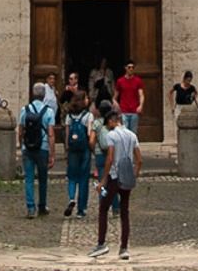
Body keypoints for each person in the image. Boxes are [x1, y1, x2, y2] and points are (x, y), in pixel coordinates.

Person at [92, 100, 139, 258]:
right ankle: (124, 248)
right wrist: (134, 174)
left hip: (114, 176)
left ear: (112, 121)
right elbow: (139, 160)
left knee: (103, 208)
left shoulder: (112, 135)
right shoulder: (132, 135)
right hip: (127, 177)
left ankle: (101, 244)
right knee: (124, 212)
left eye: (108, 124)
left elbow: (110, 157)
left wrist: (103, 179)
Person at [18, 84, 52, 216]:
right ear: (44, 95)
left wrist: (21, 144)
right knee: (43, 178)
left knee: (29, 178)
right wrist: (52, 153)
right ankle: (42, 205)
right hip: (43, 147)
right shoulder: (48, 111)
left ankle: (31, 208)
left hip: (28, 147)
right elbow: (51, 134)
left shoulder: (24, 109)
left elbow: (21, 130)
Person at [62, 90, 94, 218]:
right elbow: (89, 134)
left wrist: (67, 148)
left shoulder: (69, 116)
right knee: (83, 178)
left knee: (72, 176)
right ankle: (81, 209)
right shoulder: (88, 116)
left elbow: (67, 134)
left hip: (73, 149)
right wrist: (92, 148)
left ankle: (71, 198)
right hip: (84, 148)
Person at [116, 61, 145, 143]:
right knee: (124, 133)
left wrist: (141, 105)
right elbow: (115, 96)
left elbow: (141, 94)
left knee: (133, 134)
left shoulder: (138, 81)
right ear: (125, 68)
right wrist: (117, 107)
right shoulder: (120, 81)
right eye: (129, 67)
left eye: (132, 67)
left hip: (134, 110)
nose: (131, 69)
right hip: (124, 110)